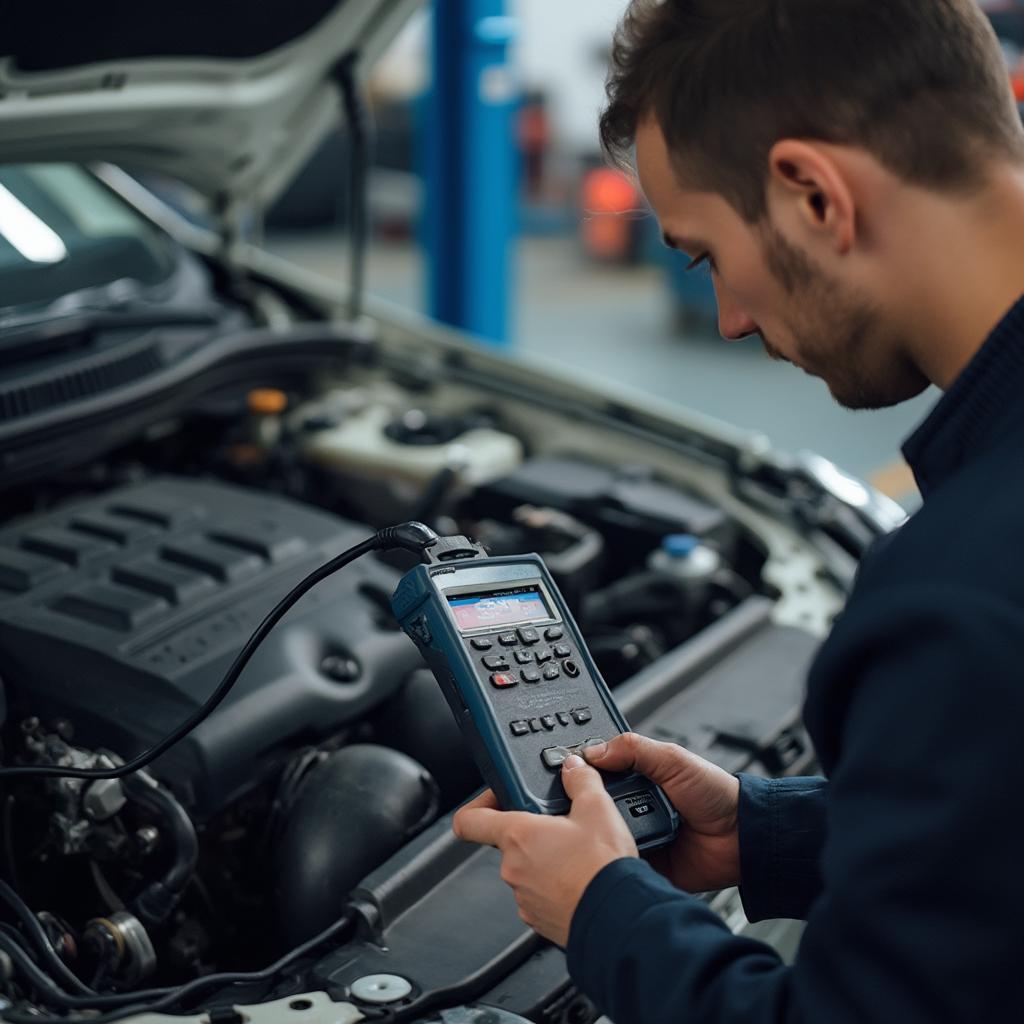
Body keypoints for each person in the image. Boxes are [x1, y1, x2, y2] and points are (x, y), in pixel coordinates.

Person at [452, 1, 1024, 1020]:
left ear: (811, 194)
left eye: (704, 253)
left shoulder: (958, 597)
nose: (727, 320)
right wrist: (768, 836)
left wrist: (604, 911)